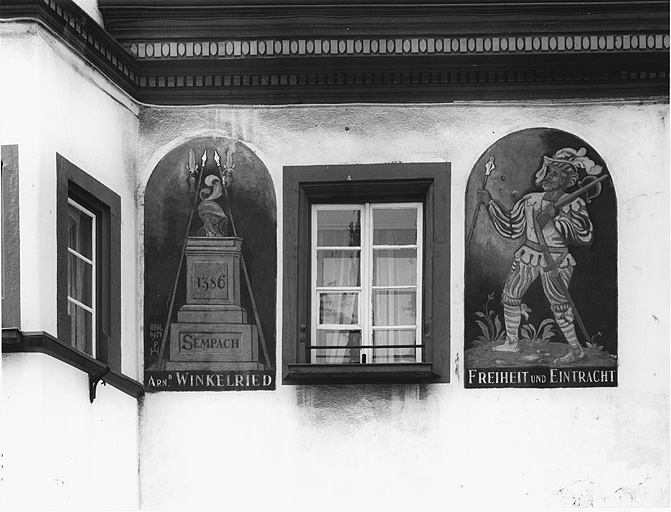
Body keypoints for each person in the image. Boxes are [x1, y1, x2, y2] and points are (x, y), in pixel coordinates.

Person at [476, 147, 598, 364]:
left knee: (559, 304)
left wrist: (557, 219)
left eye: (556, 174)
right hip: (529, 254)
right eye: (549, 171)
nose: (549, 176)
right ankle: (512, 343)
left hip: (556, 259)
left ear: (567, 181)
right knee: (511, 295)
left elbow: (585, 234)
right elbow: (513, 227)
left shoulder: (572, 202)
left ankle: (576, 349)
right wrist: (490, 203)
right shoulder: (531, 200)